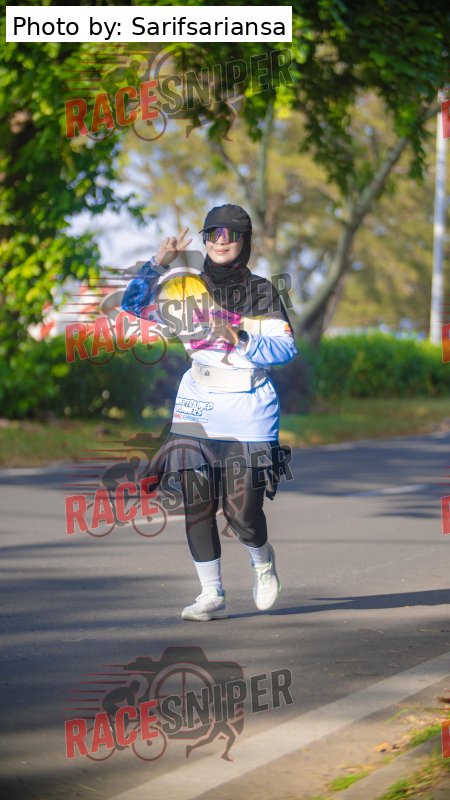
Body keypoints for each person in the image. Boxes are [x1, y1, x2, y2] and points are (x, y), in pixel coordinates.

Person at [121, 204, 297, 621]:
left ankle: (262, 562)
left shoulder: (261, 292)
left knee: (242, 512)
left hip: (248, 408)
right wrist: (157, 264)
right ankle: (211, 592)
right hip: (197, 403)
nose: (220, 242)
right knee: (197, 503)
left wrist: (240, 338)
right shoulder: (184, 288)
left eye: (230, 235)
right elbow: (132, 306)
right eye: (212, 234)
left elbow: (286, 350)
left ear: (244, 241)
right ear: (204, 240)